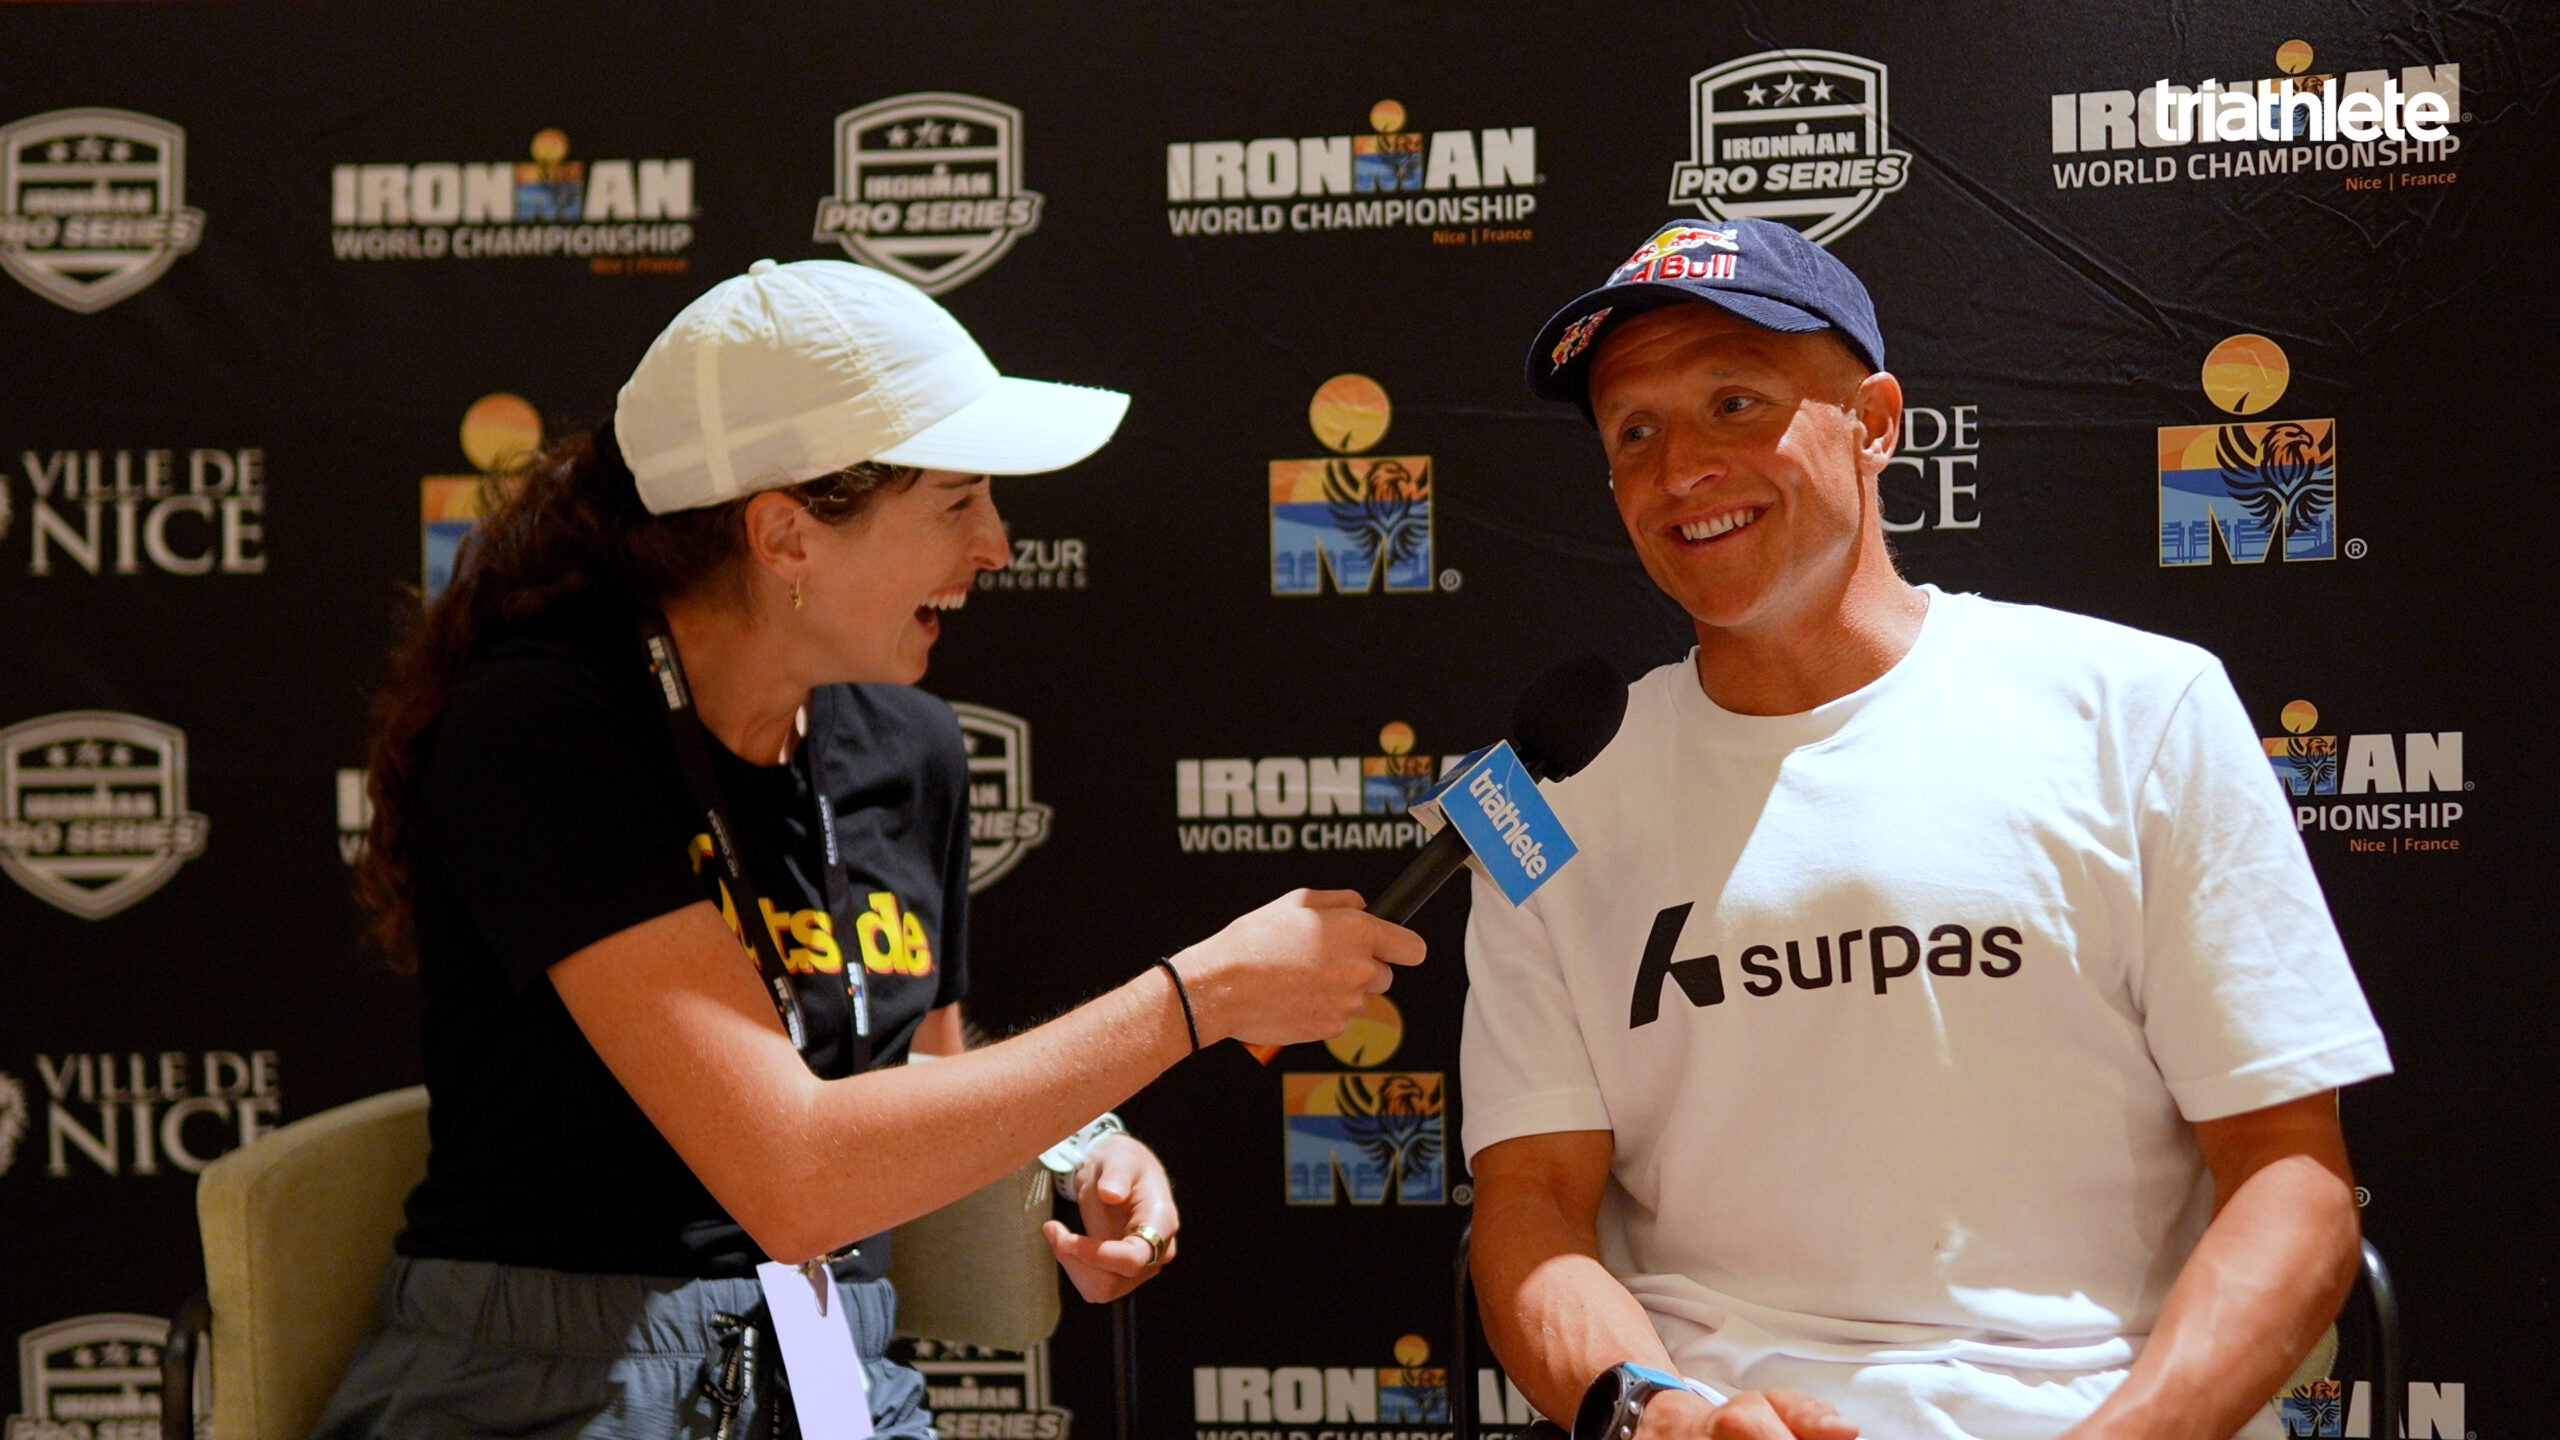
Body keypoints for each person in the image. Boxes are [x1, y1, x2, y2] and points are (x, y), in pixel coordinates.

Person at [322, 258, 1424, 1440]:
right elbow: (795, 1179)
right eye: (955, 502)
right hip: (556, 1387)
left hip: (836, 1372)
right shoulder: (547, 727)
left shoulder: (908, 744)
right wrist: (1191, 1001)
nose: (997, 544)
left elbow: (921, 1081)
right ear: (785, 535)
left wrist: (1082, 1150)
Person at [1460, 220, 2391, 1440]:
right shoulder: (1538, 800)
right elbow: (1527, 1204)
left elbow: (2290, 1171)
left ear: (1875, 422)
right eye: (1633, 431)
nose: (1680, 467)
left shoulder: (2140, 708)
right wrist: (1660, 1418)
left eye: (1734, 404)